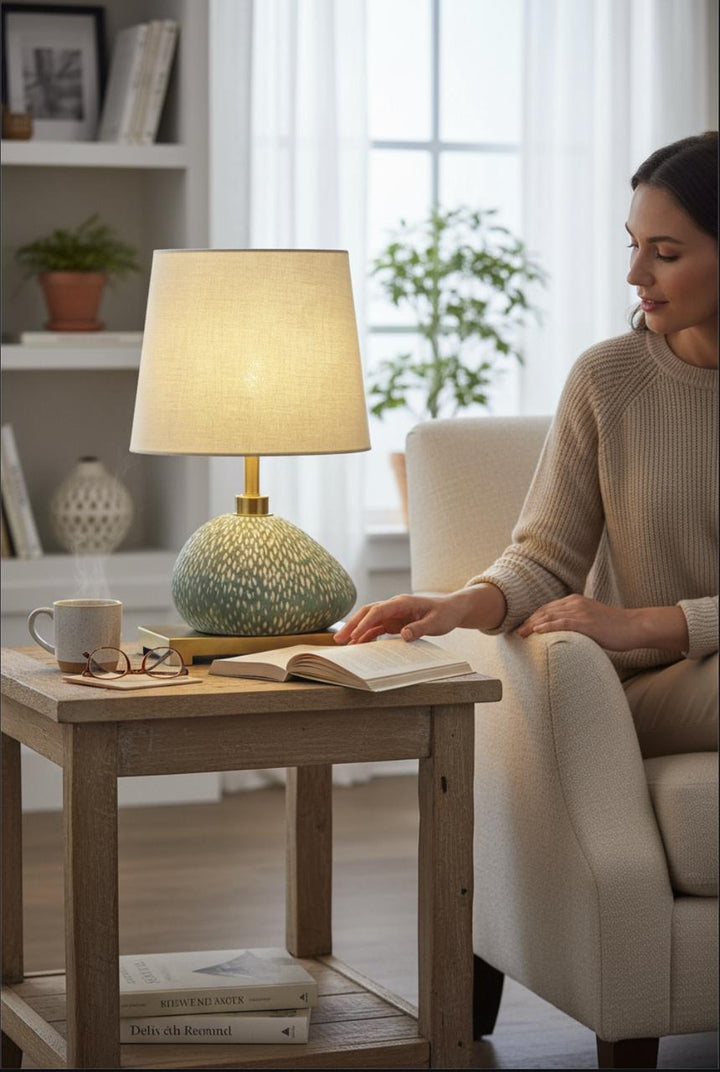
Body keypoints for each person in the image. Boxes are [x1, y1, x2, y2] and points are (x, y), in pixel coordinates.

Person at [336, 132, 718, 759]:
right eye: (634, 245)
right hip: (652, 688)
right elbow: (547, 559)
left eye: (666, 253)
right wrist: (456, 604)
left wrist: (643, 622)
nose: (635, 273)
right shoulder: (608, 379)